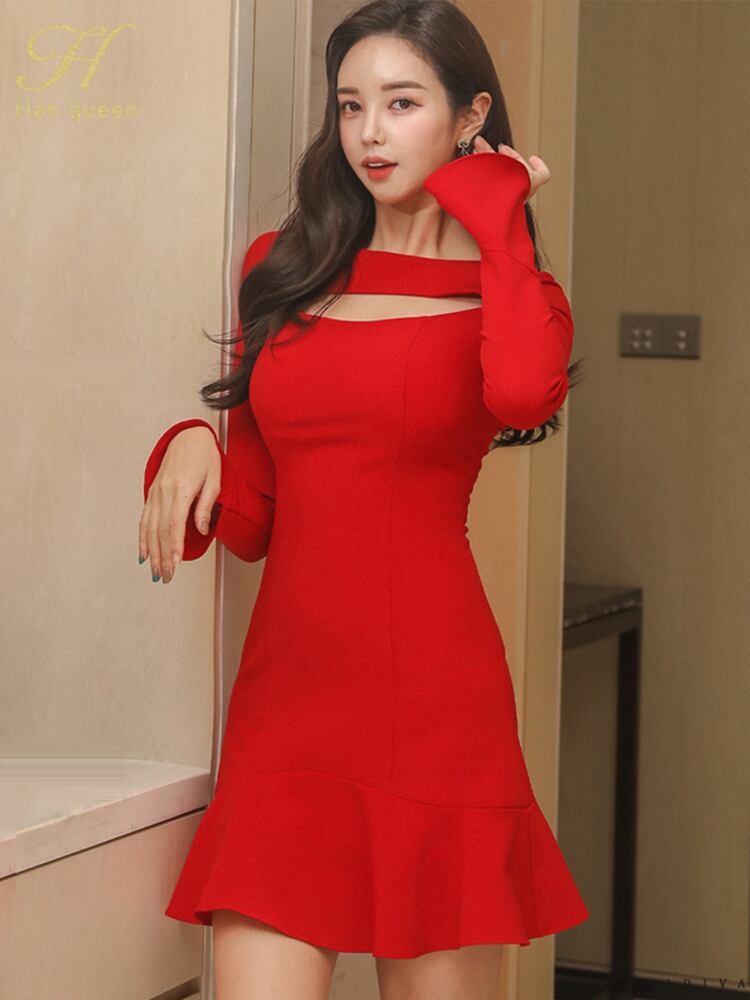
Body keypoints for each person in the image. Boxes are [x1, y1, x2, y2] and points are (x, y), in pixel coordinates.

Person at [138, 1, 588, 997]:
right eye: (350, 105)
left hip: (437, 711)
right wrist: (192, 443)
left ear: (471, 115)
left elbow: (524, 395)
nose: (370, 133)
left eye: (401, 102)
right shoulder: (280, 269)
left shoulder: (512, 293)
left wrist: (500, 222)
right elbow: (255, 519)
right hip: (287, 713)